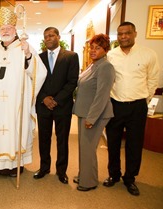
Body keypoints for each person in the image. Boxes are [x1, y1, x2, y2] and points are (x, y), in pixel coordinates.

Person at [0, 7, 47, 177]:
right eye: (2, 29)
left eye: (8, 28)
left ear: (15, 30)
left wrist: (28, 57)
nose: (5, 31)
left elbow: (40, 72)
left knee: (14, 129)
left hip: (16, 101)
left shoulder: (24, 47)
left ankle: (15, 165)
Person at [103, 22, 160, 196]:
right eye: (120, 34)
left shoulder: (148, 54)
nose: (123, 37)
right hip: (115, 105)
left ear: (135, 33)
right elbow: (107, 80)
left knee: (134, 144)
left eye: (127, 33)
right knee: (112, 142)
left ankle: (130, 179)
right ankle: (114, 175)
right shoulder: (111, 55)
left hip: (137, 106)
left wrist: (145, 99)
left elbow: (153, 80)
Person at [34, 27, 79, 184]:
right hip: (43, 105)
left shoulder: (71, 56)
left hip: (63, 106)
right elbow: (35, 81)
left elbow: (72, 81)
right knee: (43, 139)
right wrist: (44, 98)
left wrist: (57, 100)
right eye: (45, 36)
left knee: (62, 140)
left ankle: (61, 171)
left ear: (58, 37)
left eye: (51, 35)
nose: (48, 38)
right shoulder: (39, 58)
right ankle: (44, 167)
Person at [72, 34, 115, 191]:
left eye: (98, 48)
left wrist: (91, 118)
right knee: (84, 148)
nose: (93, 50)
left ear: (105, 50)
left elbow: (102, 95)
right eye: (92, 47)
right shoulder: (93, 65)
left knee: (89, 148)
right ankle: (84, 175)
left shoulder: (106, 67)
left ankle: (89, 182)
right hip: (84, 112)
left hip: (95, 115)